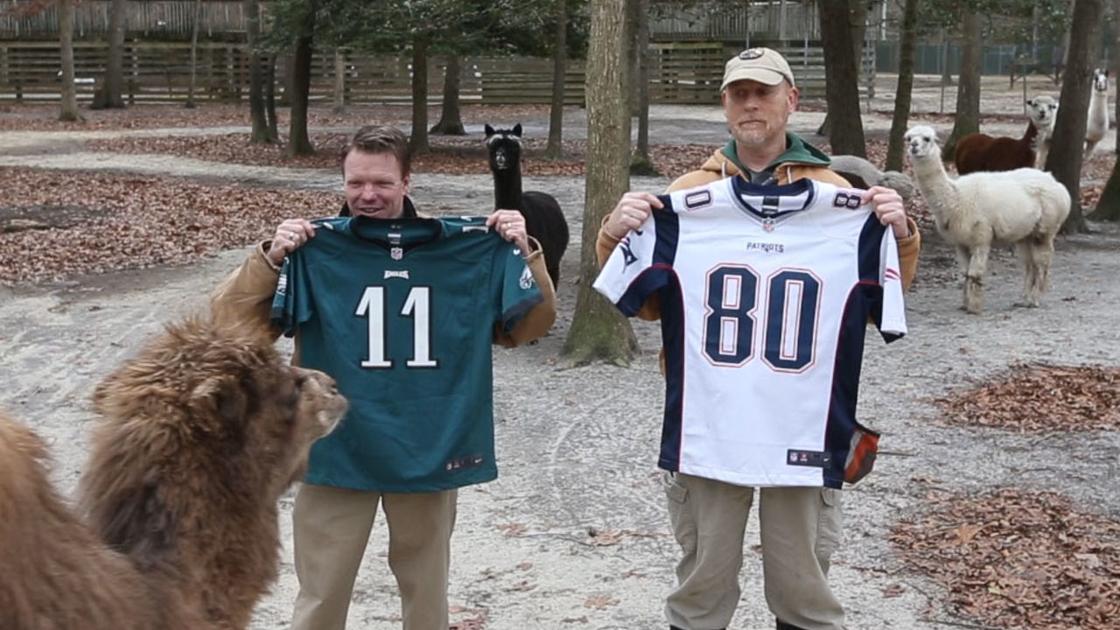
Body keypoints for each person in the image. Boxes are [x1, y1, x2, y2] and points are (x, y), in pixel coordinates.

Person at [595, 48, 921, 630]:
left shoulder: (839, 194)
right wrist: (613, 235)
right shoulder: (686, 197)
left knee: (803, 589)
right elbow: (644, 304)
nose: (750, 104)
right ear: (724, 105)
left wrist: (899, 234)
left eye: (763, 92)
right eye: (738, 94)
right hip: (709, 419)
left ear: (790, 100)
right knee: (702, 582)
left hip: (804, 420)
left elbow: (882, 306)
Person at [210, 125, 556, 630]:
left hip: (430, 444)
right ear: (342, 182)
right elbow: (230, 326)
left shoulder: (464, 250)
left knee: (427, 596)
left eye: (381, 183)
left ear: (406, 182)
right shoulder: (313, 250)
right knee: (321, 595)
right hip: (334, 446)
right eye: (356, 183)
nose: (367, 195)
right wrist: (270, 259)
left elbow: (529, 327)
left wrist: (524, 252)